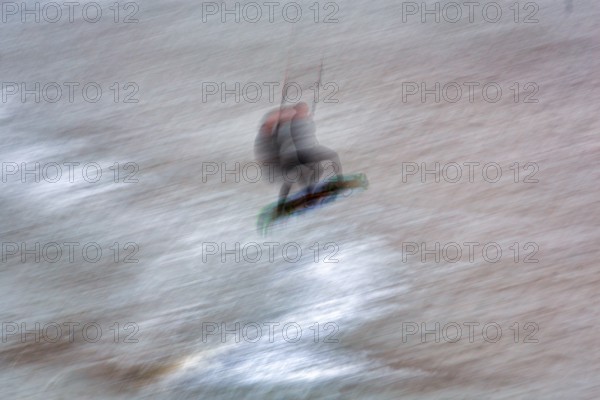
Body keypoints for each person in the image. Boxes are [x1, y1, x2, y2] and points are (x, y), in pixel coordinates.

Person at [255, 102, 343, 213]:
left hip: (286, 160)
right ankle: (284, 204)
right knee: (295, 174)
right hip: (274, 167)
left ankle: (311, 192)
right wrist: (294, 116)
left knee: (316, 167)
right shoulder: (265, 136)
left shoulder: (280, 129)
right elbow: (274, 122)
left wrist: (302, 119)